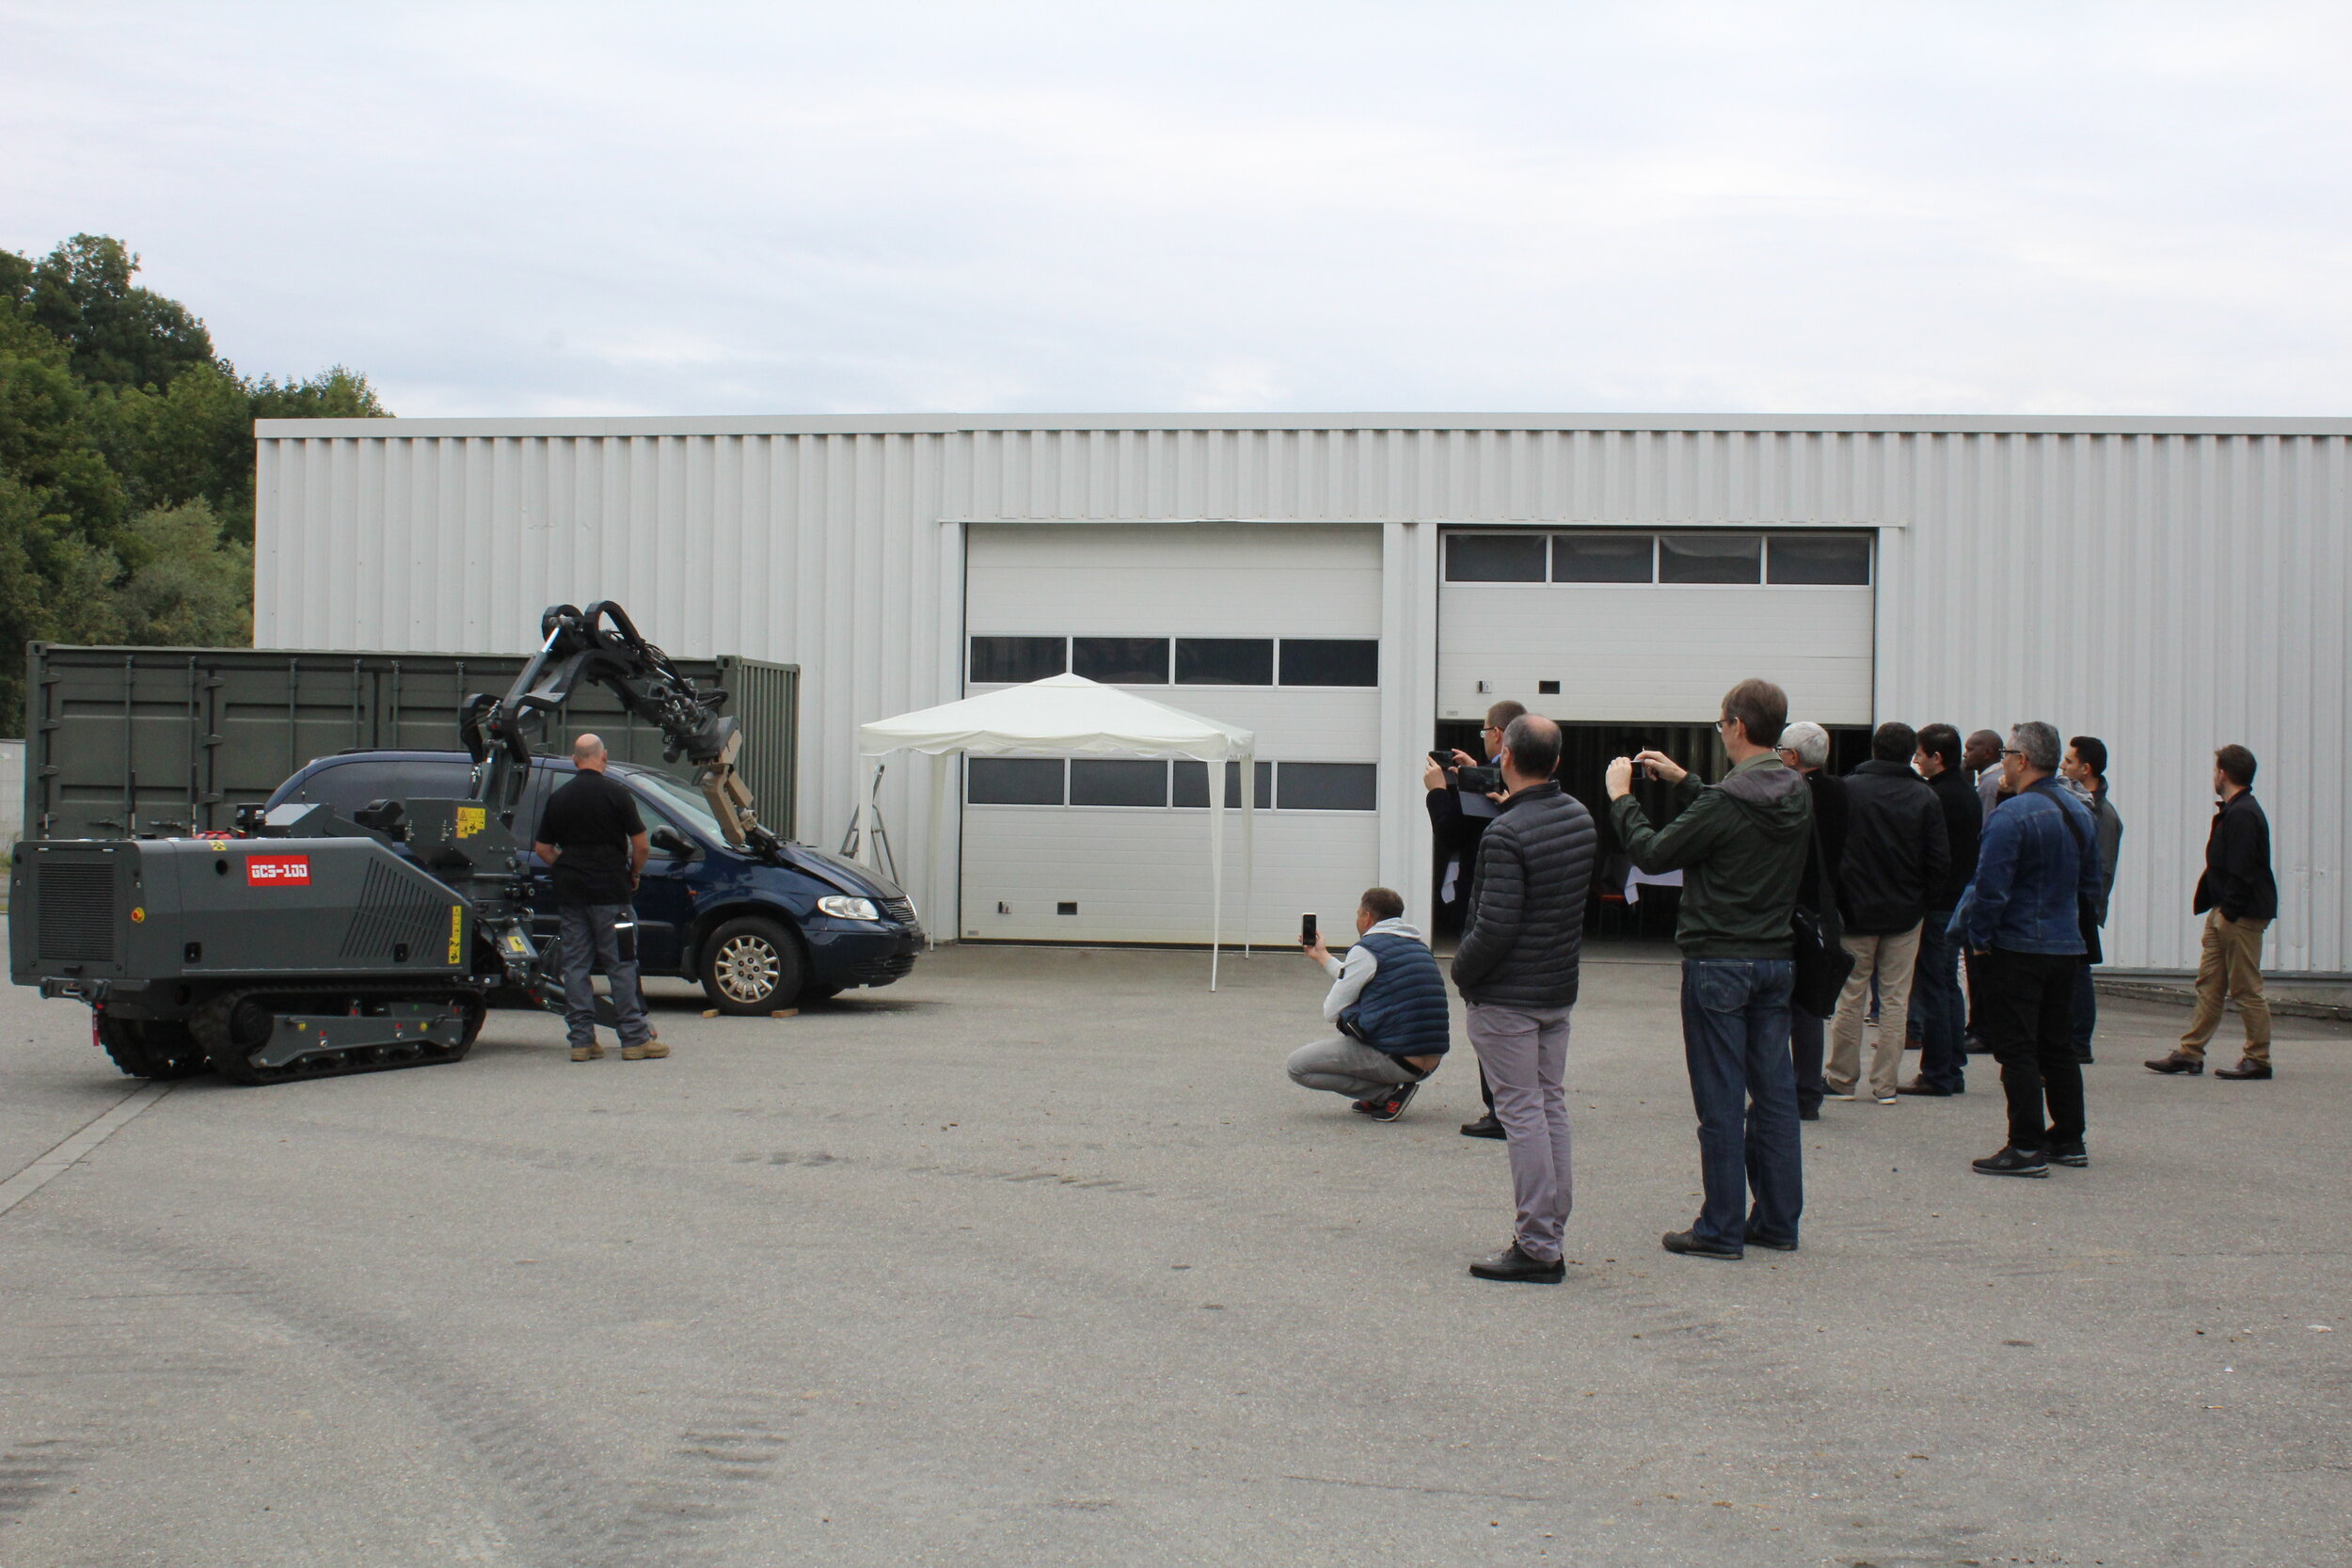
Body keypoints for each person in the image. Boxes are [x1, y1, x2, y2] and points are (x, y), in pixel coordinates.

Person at [1606, 680, 1810, 1260]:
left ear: (1739, 727)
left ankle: (1720, 1226)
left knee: (1720, 1100)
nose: (1721, 732)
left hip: (1719, 962)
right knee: (1773, 1097)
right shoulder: (1796, 788)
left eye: (1721, 724)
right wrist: (1686, 780)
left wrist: (1623, 798)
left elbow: (1654, 852)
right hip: (1775, 960)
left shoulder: (1724, 801)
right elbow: (1735, 811)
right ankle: (1776, 1220)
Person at [1451, 715, 1596, 1284]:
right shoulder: (1579, 817)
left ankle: (1538, 1244)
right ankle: (1548, 1232)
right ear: (1555, 761)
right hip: (1555, 989)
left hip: (1509, 995)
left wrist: (1461, 972)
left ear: (1505, 755)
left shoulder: (1507, 832)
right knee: (1548, 1106)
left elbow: (1495, 926)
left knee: (1522, 1114)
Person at [1950, 722, 2102, 1176]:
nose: (2004, 764)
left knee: (2016, 1049)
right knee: (2057, 1044)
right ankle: (2069, 1137)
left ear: (2020, 760)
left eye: (2008, 754)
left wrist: (1979, 941)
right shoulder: (2080, 812)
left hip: (2017, 945)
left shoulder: (2010, 816)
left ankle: (2026, 1146)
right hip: (2065, 944)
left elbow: (1990, 888)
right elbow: (2091, 884)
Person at [1823, 721, 1949, 1106]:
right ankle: (1886, 1084)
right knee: (1896, 998)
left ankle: (1842, 1079)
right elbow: (1938, 860)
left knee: (1851, 995)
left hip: (1855, 911)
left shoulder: (1847, 789)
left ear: (1874, 748)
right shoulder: (1925, 796)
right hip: (1905, 913)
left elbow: (1832, 850)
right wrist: (1923, 900)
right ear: (1910, 752)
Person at [1424, 699, 1526, 1140]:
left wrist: (1437, 790)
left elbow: (1456, 832)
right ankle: (1518, 1103)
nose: (1481, 739)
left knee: (1488, 1010)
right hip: (1520, 913)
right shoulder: (1514, 775)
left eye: (1484, 733)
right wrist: (1471, 770)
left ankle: (1502, 1110)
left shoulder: (1504, 783)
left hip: (1486, 904)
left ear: (1499, 733)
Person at [2147, 745, 2279, 1080]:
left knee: (2246, 987)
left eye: (2215, 770)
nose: (2213, 776)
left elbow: (2243, 869)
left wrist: (2229, 912)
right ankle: (2190, 1053)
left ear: (2223, 773)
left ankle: (2258, 1058)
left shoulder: (2244, 813)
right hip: (2225, 910)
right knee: (2209, 984)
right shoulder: (2235, 810)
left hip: (2240, 914)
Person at [532, 734, 665, 1063]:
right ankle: (634, 1039)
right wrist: (633, 873)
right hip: (611, 893)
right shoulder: (617, 794)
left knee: (575, 965)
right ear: (603, 757)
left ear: (575, 760)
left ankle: (581, 1040)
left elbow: (543, 849)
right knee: (621, 963)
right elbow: (642, 845)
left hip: (571, 894)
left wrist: (565, 866)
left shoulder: (559, 797)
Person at [1286, 888, 1450, 1118]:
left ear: (1367, 918)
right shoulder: (1418, 947)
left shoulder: (1367, 949)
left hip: (1395, 1059)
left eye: (1358, 914)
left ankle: (1384, 1095)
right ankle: (1387, 1093)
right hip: (1428, 1062)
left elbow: (1331, 1011)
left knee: (1297, 1067)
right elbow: (1355, 975)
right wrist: (1321, 955)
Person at [1899, 723, 1980, 1097]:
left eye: (1921, 754)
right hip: (1958, 899)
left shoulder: (1939, 797)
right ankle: (1951, 1064)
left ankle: (1937, 1071)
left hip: (1940, 903)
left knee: (1934, 985)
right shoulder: (1967, 792)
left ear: (1937, 757)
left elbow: (1932, 854)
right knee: (1947, 985)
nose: (1916, 761)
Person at [1774, 721, 1846, 1121]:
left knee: (1778, 1004)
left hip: (1790, 906)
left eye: (1781, 750)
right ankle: (1808, 1091)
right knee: (1810, 1007)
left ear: (1793, 757)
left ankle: (1782, 1089)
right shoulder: (1839, 792)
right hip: (1822, 907)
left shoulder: (1789, 792)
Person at [2059, 736, 2123, 1065]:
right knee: (2071, 971)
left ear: (2086, 769)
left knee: (2080, 971)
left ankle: (2080, 1041)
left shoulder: (2103, 815)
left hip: (2081, 903)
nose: (2062, 766)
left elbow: (2103, 867)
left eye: (2068, 762)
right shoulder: (2077, 803)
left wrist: (2091, 907)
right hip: (2071, 901)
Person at [1961, 727, 2007, 1052]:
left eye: (1971, 749)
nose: (1966, 755)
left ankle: (1982, 1029)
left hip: (1982, 883)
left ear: (1989, 752)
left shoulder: (1991, 785)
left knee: (1979, 960)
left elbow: (1987, 833)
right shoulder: (1991, 781)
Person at [1966, 729, 2006, 820]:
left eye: (1969, 750)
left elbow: (1986, 823)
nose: (1965, 755)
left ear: (1987, 753)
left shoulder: (1990, 784)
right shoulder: (2001, 775)